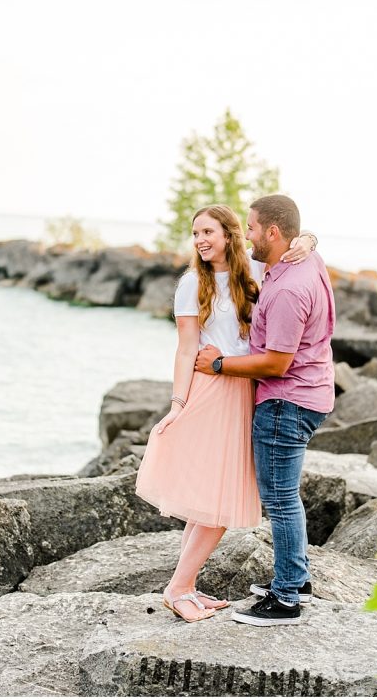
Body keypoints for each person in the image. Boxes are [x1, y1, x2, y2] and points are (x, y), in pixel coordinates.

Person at [135, 204, 315, 622]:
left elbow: (293, 243)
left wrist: (309, 241)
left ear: (230, 235)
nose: (199, 240)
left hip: (244, 388)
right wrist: (177, 404)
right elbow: (185, 349)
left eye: (208, 232)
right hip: (211, 392)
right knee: (215, 501)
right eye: (195, 233)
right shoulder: (189, 284)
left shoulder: (253, 270)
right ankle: (177, 588)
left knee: (209, 501)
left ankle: (187, 584)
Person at [195, 193, 335, 627]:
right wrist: (309, 238)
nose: (247, 233)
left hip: (285, 401)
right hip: (306, 395)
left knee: (279, 499)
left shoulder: (291, 287)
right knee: (285, 495)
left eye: (252, 227)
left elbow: (277, 362)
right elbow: (304, 240)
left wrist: (219, 365)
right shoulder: (303, 260)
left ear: (274, 233)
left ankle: (287, 598)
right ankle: (297, 576)